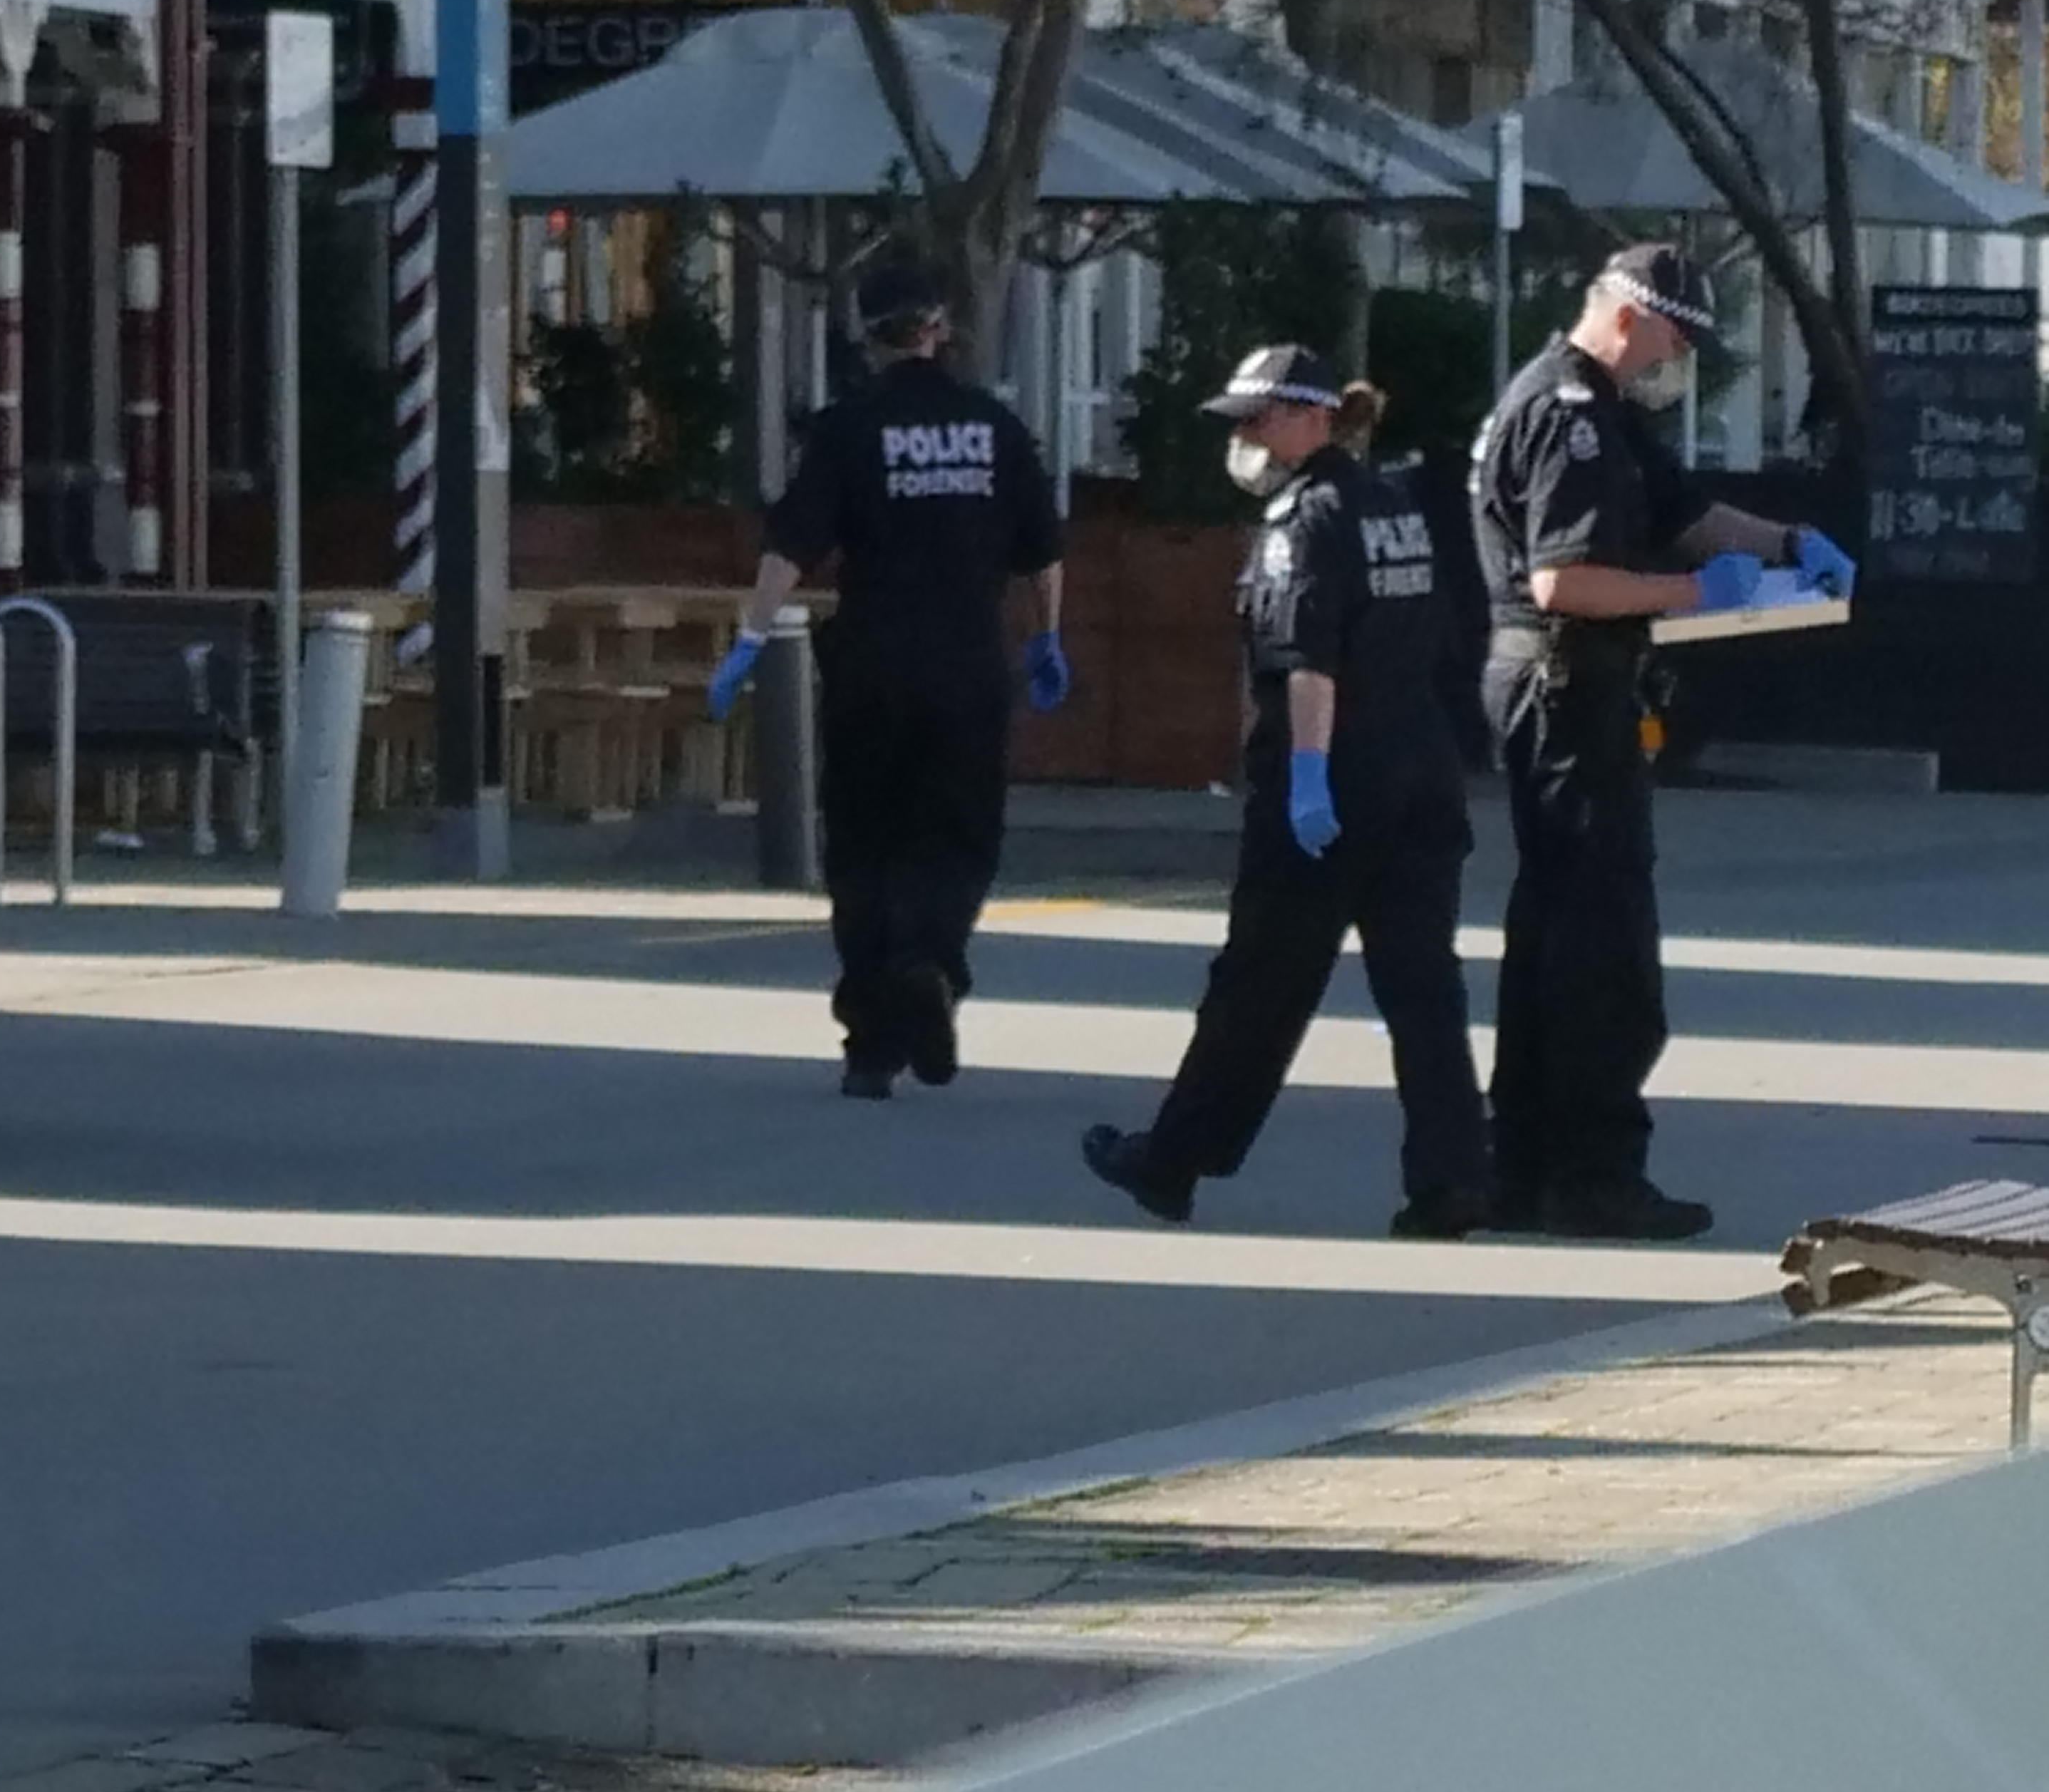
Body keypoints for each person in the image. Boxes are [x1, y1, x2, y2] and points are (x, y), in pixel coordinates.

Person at [1470, 244, 1853, 1242]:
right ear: (1636, 316)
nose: (1678, 354)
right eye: (1678, 334)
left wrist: (1782, 545)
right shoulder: (1572, 418)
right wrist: (1692, 596)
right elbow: (1566, 580)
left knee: (1553, 936)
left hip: (1557, 681)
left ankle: (1524, 1165)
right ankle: (1596, 1172)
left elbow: (1682, 513)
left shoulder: (1594, 408)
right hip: (1564, 676)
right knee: (1605, 949)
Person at [1081, 346, 1491, 1237]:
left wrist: (1306, 778)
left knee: (1256, 988)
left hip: (1332, 786)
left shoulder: (1300, 523)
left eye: (1255, 421)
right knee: (1423, 991)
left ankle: (1171, 1160)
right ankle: (1451, 1178)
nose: (1243, 439)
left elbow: (1307, 663)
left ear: (1310, 419)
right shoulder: (1398, 507)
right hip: (1419, 777)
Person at [708, 256, 1065, 1100]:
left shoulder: (845, 429)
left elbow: (788, 549)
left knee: (865, 843)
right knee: (957, 835)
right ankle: (929, 961)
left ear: (865, 340)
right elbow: (1043, 555)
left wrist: (749, 641)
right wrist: (1047, 641)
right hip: (967, 667)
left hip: (870, 663)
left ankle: (870, 1043)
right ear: (938, 328)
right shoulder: (993, 427)